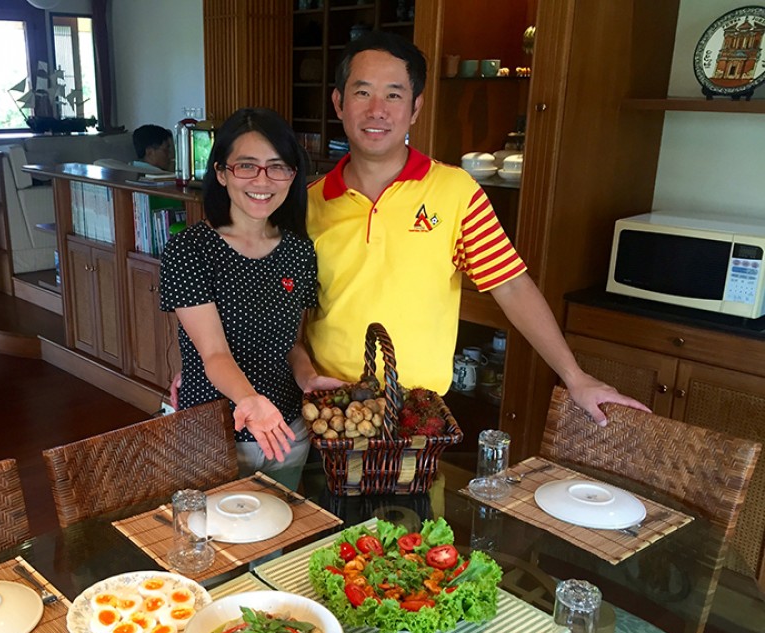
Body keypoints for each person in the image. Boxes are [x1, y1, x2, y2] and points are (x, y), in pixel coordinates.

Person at [305, 31, 647, 426]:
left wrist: (575, 377)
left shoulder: (455, 192)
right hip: (329, 408)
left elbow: (513, 285)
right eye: (362, 93)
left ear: (415, 108)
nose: (377, 109)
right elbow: (293, 312)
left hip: (418, 415)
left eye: (394, 95)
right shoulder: (311, 202)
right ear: (339, 103)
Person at [159, 108, 341, 489]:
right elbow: (214, 355)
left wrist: (307, 376)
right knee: (213, 542)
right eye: (247, 166)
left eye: (278, 167)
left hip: (286, 432)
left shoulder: (298, 251)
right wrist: (252, 401)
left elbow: (289, 343)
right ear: (222, 173)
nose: (263, 180)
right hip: (215, 437)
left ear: (293, 176)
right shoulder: (189, 251)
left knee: (282, 542)